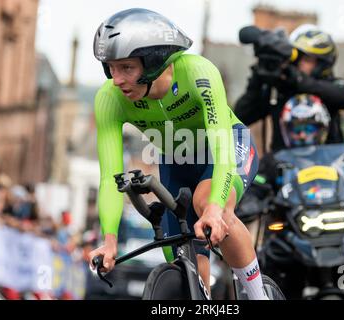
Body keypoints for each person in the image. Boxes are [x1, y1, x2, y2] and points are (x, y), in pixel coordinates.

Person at [88, 8, 268, 299]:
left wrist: (213, 208)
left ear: (154, 61)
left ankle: (258, 294)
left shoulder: (198, 72)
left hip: (225, 147)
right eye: (110, 67)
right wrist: (109, 241)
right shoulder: (109, 99)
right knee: (187, 263)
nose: (116, 79)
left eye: (126, 68)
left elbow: (222, 150)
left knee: (209, 204)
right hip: (176, 161)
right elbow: (110, 178)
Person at [235, 24, 344, 153]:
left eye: (307, 59)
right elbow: (242, 115)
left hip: (328, 167)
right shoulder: (281, 89)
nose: (300, 64)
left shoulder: (330, 86)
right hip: (284, 168)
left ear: (322, 64)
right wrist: (258, 79)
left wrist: (299, 80)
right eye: (298, 59)